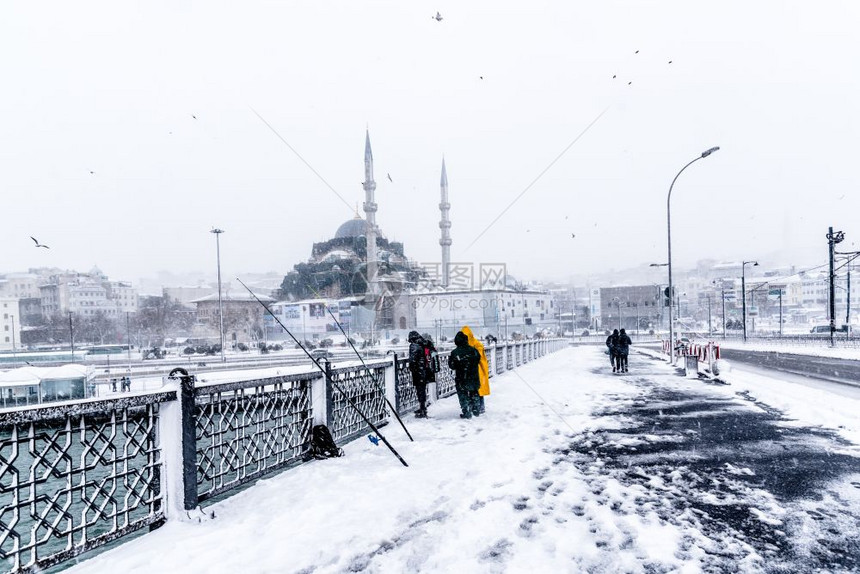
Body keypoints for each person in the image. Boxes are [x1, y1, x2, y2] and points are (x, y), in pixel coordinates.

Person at [449, 331, 481, 418]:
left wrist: (459, 363)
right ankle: (476, 410)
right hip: (474, 376)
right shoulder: (474, 350)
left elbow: (451, 366)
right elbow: (478, 360)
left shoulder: (454, 352)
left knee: (462, 394)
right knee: (474, 392)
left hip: (462, 377)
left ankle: (466, 411)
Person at [461, 326, 489, 414]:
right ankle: (475, 407)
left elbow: (478, 358)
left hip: (478, 370)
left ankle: (480, 407)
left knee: (478, 389)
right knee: (472, 390)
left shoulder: (477, 345)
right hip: (471, 371)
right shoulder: (468, 345)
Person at [407, 331, 430, 418]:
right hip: (425, 370)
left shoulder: (414, 345)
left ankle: (422, 410)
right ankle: (423, 408)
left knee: (419, 390)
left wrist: (412, 369)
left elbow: (412, 360)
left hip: (418, 371)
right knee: (422, 389)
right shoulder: (423, 344)